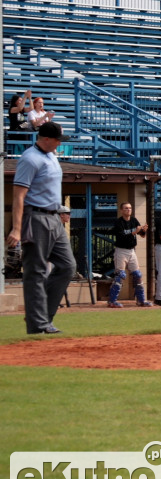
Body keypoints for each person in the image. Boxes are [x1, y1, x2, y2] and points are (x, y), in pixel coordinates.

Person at [5, 121, 76, 334]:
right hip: (35, 217)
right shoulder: (30, 158)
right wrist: (17, 229)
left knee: (67, 266)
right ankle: (38, 325)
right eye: (57, 140)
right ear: (46, 139)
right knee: (35, 272)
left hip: (54, 217)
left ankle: (42, 315)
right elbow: (19, 196)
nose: (59, 144)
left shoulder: (51, 156)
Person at [106, 201, 152, 307]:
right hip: (121, 251)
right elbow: (121, 237)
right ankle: (112, 301)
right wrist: (135, 232)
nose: (128, 210)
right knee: (120, 275)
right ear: (121, 210)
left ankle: (141, 300)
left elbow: (142, 235)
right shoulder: (119, 222)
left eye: (130, 208)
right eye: (126, 208)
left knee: (138, 275)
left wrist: (143, 230)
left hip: (132, 250)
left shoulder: (134, 220)